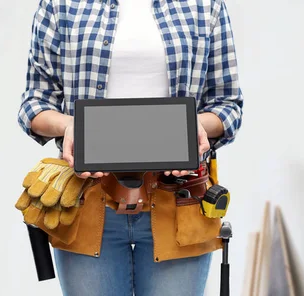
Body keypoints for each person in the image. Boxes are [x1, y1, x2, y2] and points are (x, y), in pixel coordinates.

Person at [17, 0, 243, 295]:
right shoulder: (60, 5)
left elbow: (228, 105)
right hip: (88, 197)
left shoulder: (205, 5)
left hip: (178, 198)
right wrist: (70, 126)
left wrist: (193, 126)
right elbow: (34, 104)